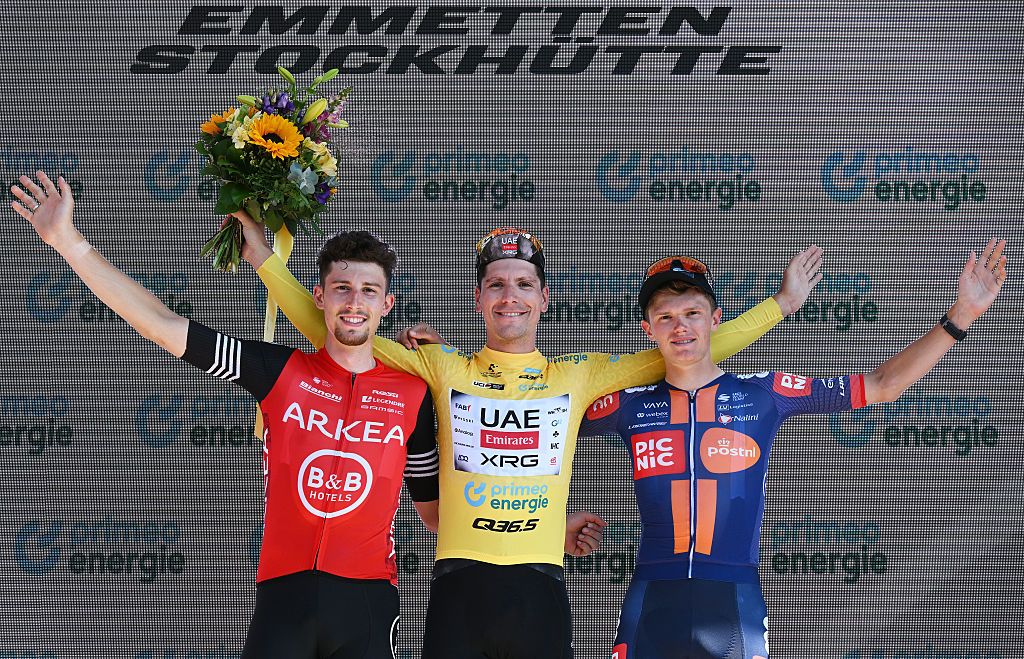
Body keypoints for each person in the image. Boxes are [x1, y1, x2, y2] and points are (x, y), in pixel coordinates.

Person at [235, 212, 820, 659]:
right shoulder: (442, 366)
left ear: (543, 299)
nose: (509, 295)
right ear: (479, 299)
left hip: (540, 590)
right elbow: (339, 327)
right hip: (457, 588)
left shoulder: (579, 375)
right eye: (495, 284)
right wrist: (264, 259)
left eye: (522, 283)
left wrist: (781, 304)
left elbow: (689, 346)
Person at [11, 171, 442, 659]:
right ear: (319, 297)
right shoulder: (278, 371)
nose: (354, 302)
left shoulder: (414, 392)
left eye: (368, 291)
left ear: (387, 303)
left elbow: (435, 515)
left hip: (367, 602)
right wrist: (68, 242)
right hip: (283, 596)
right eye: (342, 288)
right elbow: (162, 325)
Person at [578, 247, 1007, 659]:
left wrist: (961, 317)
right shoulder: (628, 405)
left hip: (733, 603)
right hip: (652, 601)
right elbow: (546, 430)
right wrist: (555, 523)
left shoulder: (764, 393)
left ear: (716, 319)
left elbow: (881, 385)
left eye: (692, 313)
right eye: (666, 317)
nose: (680, 327)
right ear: (648, 330)